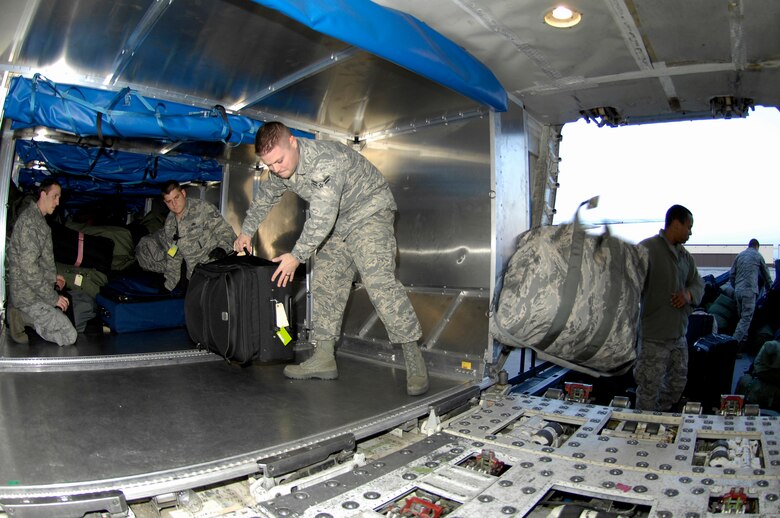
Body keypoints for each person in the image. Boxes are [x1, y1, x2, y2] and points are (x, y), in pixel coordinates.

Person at [234, 122, 428, 396]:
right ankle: (324, 358)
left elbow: (322, 216)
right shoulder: (279, 168)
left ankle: (413, 357)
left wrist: (296, 256)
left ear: (293, 141)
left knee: (379, 282)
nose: (276, 168)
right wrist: (246, 232)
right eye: (269, 165)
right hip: (338, 222)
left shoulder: (326, 160)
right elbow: (265, 197)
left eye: (279, 160)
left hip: (369, 212)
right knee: (326, 281)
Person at [634, 204, 704, 411]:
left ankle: (659, 417)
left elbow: (698, 283)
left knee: (676, 385)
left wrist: (688, 295)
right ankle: (642, 429)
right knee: (648, 388)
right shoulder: (647, 249)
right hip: (653, 338)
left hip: (678, 337)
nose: (690, 232)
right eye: (689, 227)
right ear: (676, 223)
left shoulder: (685, 257)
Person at [7, 178, 77, 346]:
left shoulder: (39, 221)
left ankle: (27, 317)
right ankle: (22, 316)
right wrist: (53, 298)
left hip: (34, 292)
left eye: (59, 197)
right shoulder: (30, 224)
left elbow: (39, 261)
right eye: (55, 196)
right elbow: (29, 270)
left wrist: (54, 277)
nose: (58, 202)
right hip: (28, 296)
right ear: (43, 194)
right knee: (69, 336)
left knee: (65, 322)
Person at [136, 181, 236, 291]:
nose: (174, 204)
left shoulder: (202, 208)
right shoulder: (170, 223)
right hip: (194, 278)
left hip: (215, 273)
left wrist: (223, 248)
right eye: (169, 201)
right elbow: (173, 256)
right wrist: (168, 286)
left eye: (176, 197)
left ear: (183, 193)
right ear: (165, 202)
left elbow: (226, 231)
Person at [729, 238, 772, 345]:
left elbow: (731, 275)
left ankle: (742, 345)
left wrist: (736, 287)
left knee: (742, 320)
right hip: (749, 291)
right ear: (757, 247)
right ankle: (732, 345)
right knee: (746, 319)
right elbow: (766, 276)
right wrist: (770, 290)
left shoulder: (739, 255)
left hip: (738, 291)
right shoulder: (758, 256)